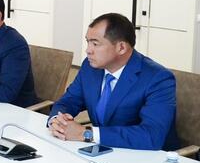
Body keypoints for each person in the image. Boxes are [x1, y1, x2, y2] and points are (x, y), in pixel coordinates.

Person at [48, 13, 179, 150]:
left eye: (95, 44)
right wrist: (57, 121)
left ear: (121, 48)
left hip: (145, 156)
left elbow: (151, 136)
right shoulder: (90, 67)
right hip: (103, 151)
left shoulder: (158, 78)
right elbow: (68, 101)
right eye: (88, 42)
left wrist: (86, 133)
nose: (88, 50)